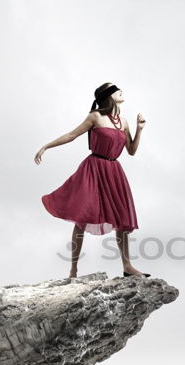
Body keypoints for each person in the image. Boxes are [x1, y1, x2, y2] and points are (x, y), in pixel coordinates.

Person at [34, 82, 150, 279]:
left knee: (122, 219)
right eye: (116, 89)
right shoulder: (95, 116)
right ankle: (73, 270)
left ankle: (127, 266)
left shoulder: (123, 121)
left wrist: (139, 129)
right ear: (108, 96)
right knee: (82, 216)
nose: (121, 91)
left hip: (114, 171)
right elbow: (71, 135)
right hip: (94, 169)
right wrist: (47, 146)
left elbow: (131, 151)